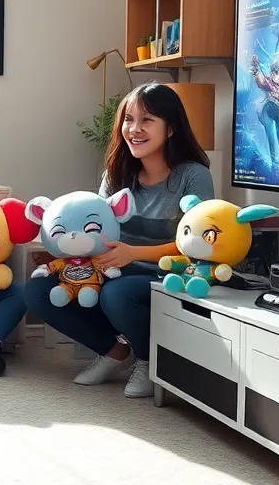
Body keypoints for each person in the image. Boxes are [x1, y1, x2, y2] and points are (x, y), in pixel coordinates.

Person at [22, 83, 214, 398]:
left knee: (117, 293)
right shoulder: (117, 174)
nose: (134, 129)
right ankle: (115, 352)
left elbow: (199, 244)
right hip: (111, 268)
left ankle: (147, 359)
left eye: (147, 120)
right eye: (128, 119)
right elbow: (95, 230)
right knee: (38, 291)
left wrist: (133, 253)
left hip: (165, 273)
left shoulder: (193, 176)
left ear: (170, 128)